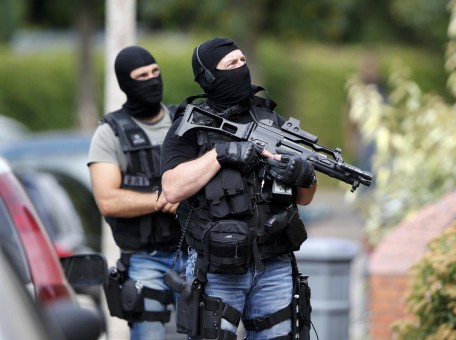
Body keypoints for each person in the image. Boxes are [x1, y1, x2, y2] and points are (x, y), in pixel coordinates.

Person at [160, 37, 317, 340]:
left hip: (273, 263)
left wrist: (305, 175)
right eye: (230, 64)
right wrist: (221, 154)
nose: (240, 68)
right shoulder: (192, 125)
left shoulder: (270, 120)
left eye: (242, 61)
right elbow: (172, 188)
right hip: (217, 266)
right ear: (208, 77)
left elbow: (305, 198)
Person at [88, 46, 186, 340]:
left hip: (193, 252)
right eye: (142, 76)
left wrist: (186, 194)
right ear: (126, 84)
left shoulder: (182, 122)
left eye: (155, 72)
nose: (152, 80)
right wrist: (162, 198)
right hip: (146, 258)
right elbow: (107, 200)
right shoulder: (110, 133)